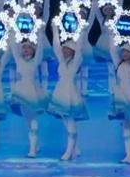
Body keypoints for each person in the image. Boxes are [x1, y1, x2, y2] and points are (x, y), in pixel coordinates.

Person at [48, 23, 88, 161]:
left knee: (70, 122)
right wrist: (55, 29)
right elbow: (56, 46)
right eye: (63, 48)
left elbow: (80, 48)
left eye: (67, 49)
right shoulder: (61, 60)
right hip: (60, 93)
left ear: (72, 51)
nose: (64, 51)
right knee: (66, 122)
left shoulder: (76, 61)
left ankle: (69, 151)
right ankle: (75, 148)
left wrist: (82, 31)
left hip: (70, 94)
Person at [10, 25, 49, 158]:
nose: (26, 50)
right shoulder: (18, 59)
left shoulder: (36, 61)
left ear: (33, 50)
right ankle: (35, 144)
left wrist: (39, 33)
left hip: (33, 93)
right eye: (24, 48)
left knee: (33, 121)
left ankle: (32, 150)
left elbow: (40, 49)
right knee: (28, 120)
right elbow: (14, 46)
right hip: (21, 94)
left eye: (29, 48)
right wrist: (12, 28)